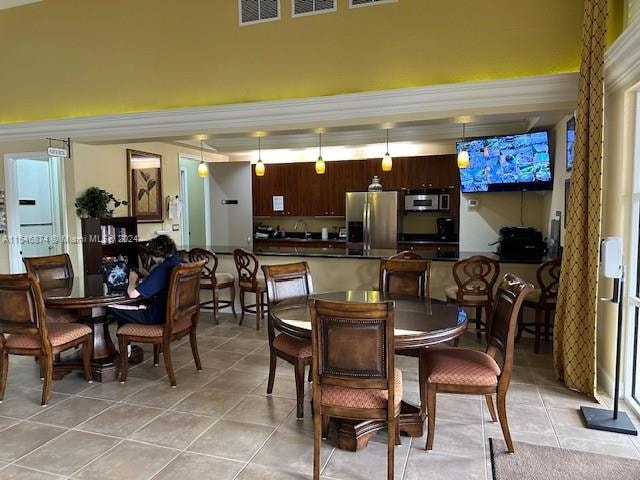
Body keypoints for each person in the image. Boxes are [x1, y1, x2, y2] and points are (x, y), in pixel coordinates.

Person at [108, 235, 184, 326]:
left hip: (155, 315)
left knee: (109, 305)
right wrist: (147, 275)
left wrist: (132, 279)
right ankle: (126, 333)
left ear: (155, 254)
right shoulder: (180, 261)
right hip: (176, 311)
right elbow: (162, 282)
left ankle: (123, 334)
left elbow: (132, 294)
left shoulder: (162, 269)